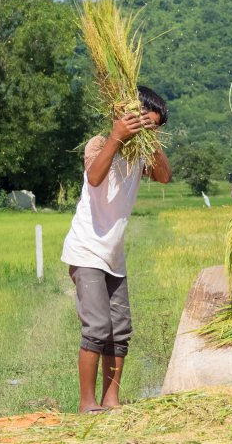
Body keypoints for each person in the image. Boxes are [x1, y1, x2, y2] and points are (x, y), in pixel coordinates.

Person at [61, 85, 172, 413]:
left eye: (153, 127)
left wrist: (150, 142)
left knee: (120, 331)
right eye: (143, 123)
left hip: (114, 256)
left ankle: (111, 400)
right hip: (87, 251)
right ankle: (87, 403)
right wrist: (117, 136)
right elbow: (95, 177)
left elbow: (165, 176)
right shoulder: (100, 144)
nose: (147, 131)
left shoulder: (140, 155)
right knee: (97, 327)